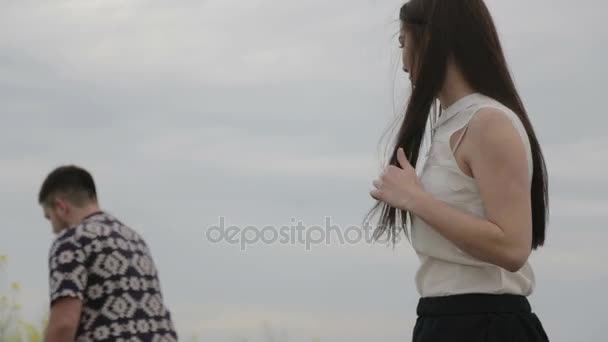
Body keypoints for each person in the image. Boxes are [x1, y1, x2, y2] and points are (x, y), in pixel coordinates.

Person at [367, 0, 550, 341]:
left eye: (403, 40)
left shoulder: (487, 122)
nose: (401, 54)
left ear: (431, 39)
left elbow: (512, 248)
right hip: (443, 320)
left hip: (486, 324)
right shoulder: (451, 125)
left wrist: (417, 199)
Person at [39, 165, 178, 342]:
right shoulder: (134, 239)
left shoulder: (71, 241)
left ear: (61, 207)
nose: (53, 229)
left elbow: (64, 324)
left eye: (49, 217)